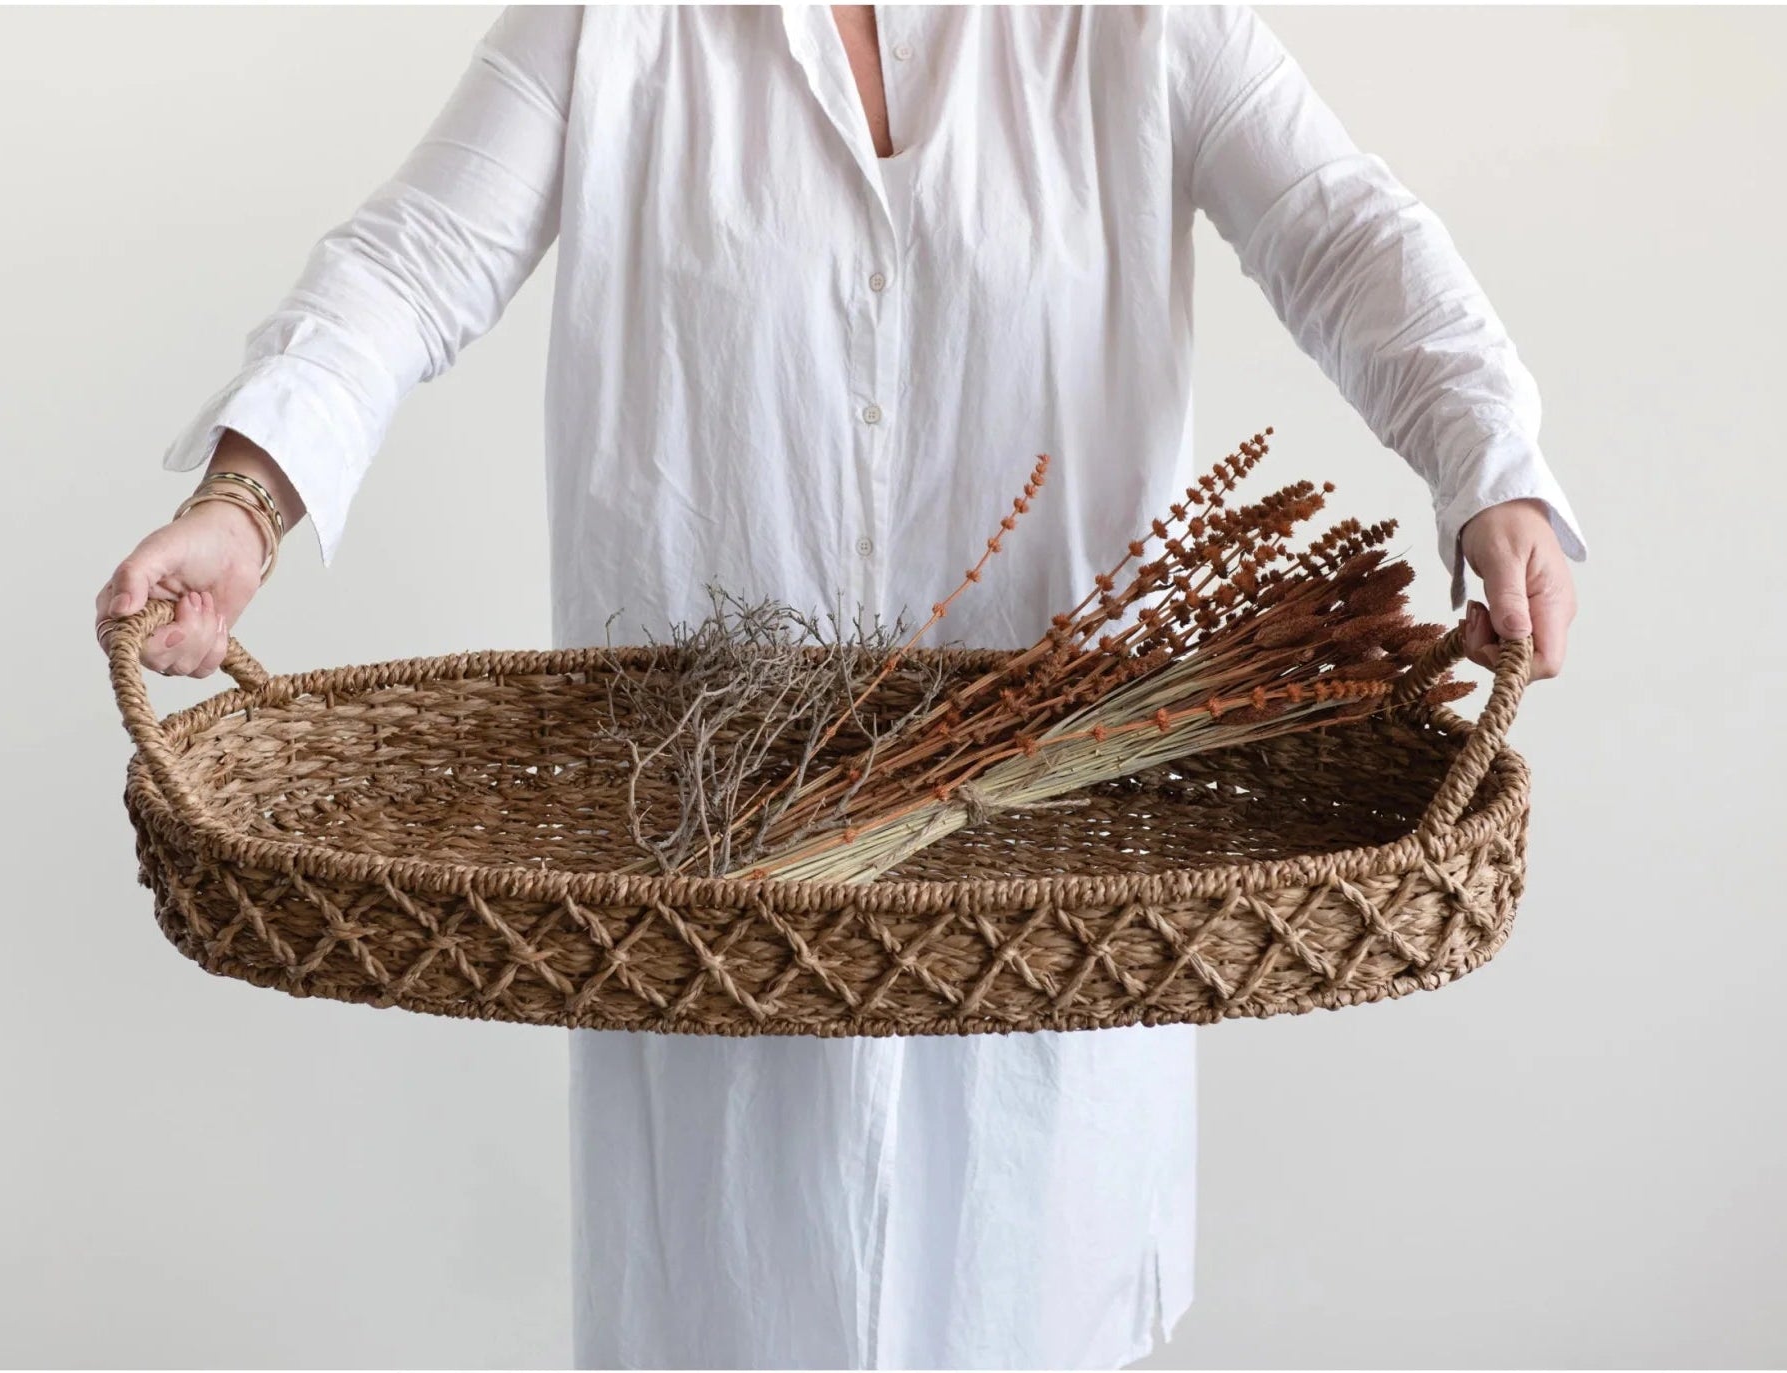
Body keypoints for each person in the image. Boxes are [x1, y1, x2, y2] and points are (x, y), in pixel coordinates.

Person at [93, 7, 1587, 1368]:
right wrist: (249, 501)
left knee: (1030, 1299)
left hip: (1055, 923)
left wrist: (1493, 469)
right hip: (711, 908)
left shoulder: (1137, 22)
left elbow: (1343, 234)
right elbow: (414, 262)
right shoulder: (617, 25)